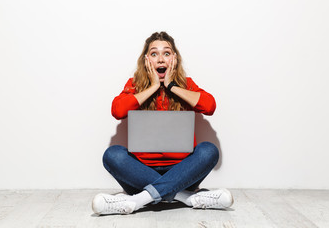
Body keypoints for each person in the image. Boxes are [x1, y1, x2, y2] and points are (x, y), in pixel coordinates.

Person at [92, 32, 233, 215]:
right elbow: (117, 111)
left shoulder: (186, 85)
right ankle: (186, 197)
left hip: (183, 171)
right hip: (140, 171)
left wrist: (172, 86)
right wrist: (152, 87)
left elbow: (210, 106)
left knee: (209, 150)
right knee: (112, 155)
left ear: (174, 58)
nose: (160, 59)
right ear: (146, 60)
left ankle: (137, 200)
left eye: (166, 53)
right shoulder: (134, 85)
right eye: (154, 54)